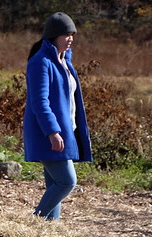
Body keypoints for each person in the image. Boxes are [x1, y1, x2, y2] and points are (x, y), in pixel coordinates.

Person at [23, 11, 92, 220]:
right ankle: (35, 223)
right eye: (66, 34)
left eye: (72, 34)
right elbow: (39, 101)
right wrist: (52, 131)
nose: (70, 39)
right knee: (67, 182)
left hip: (64, 133)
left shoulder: (65, 62)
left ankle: (48, 233)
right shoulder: (41, 62)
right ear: (54, 36)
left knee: (55, 185)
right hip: (49, 135)